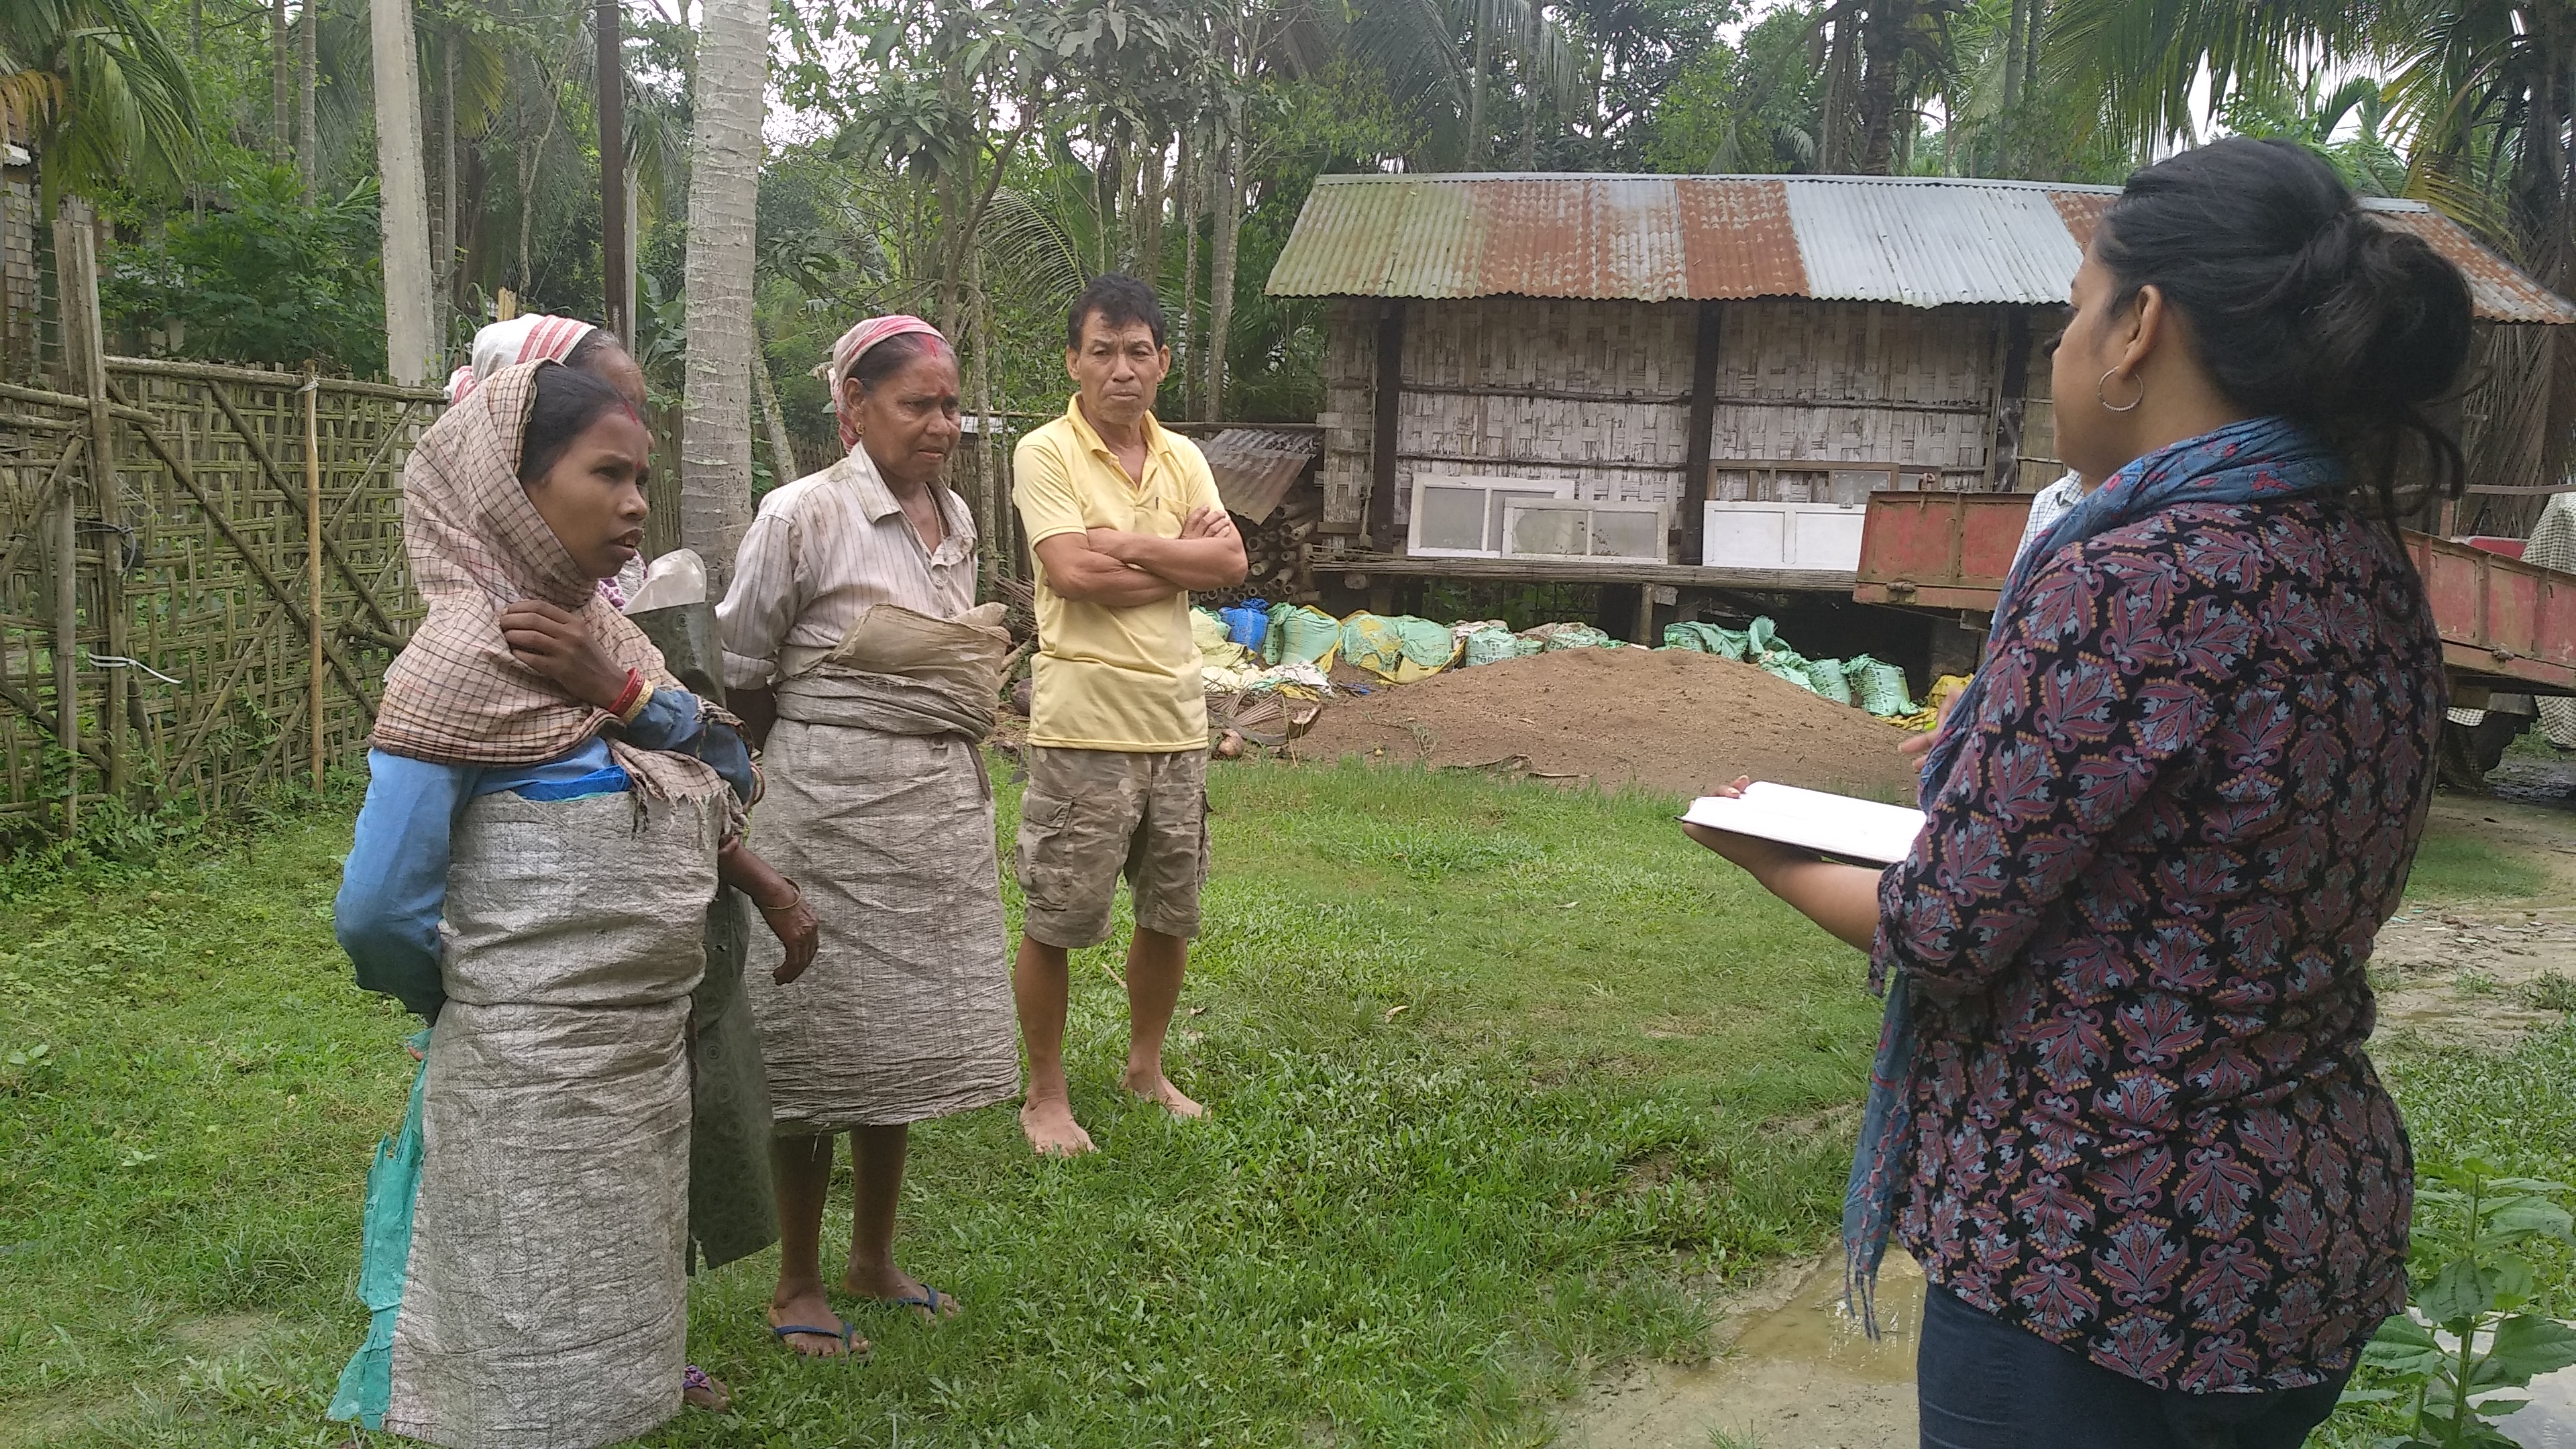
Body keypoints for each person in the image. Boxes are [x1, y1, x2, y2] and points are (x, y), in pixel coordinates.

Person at [1684, 137, 2469, 1448]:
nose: (2056, 350)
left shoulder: (2127, 574)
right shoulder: (2367, 569)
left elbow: (1944, 928)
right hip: (2303, 1237)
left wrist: (1753, 842)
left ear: (2137, 329)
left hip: (2098, 1249)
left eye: (2066, 315)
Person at [329, 361, 818, 1448]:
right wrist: (470, 1005)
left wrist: (622, 694)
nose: (637, 504)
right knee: (514, 1363)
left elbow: (737, 770)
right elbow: (373, 914)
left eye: (642, 477)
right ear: (514, 486)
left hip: (641, 1089)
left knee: (613, 1355)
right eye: (609, 474)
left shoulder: (618, 644)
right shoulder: (456, 667)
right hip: (521, 1096)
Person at [714, 314, 1020, 1356]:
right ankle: (798, 1282)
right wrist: (767, 786)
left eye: (950, 406)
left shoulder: (958, 517)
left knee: (893, 1037)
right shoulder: (802, 514)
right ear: (853, 409)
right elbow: (745, 666)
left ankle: (874, 1260)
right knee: (817, 1041)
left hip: (933, 813)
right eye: (918, 405)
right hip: (826, 810)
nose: (943, 426)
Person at [1010, 274, 1248, 1157]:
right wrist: (1178, 557)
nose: (1120, 368)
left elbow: (1230, 563)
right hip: (1084, 724)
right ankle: (1044, 1094)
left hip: (1177, 722)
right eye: (1102, 351)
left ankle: (1145, 1067)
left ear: (1163, 363)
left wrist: (1132, 545)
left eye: (1137, 351)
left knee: (1169, 911)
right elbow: (1073, 575)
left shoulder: (1184, 456)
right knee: (1059, 919)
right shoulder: (1045, 452)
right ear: (1074, 361)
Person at [447, 313, 655, 604]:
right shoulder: (479, 622)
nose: (648, 439)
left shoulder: (615, 578)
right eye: (620, 407)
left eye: (640, 412)